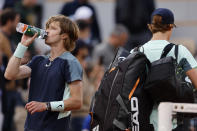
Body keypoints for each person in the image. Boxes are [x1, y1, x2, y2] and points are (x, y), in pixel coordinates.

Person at [4, 15, 83, 131]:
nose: (47, 31)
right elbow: (10, 74)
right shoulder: (38, 60)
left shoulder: (71, 62)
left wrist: (46, 106)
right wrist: (22, 46)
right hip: (30, 127)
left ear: (64, 35)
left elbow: (77, 102)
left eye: (53, 28)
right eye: (47, 28)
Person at [130, 8, 197, 131]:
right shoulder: (179, 51)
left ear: (150, 27)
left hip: (142, 121)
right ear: (170, 26)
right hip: (173, 122)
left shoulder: (135, 52)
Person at [0, 8, 20, 131]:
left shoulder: (9, 37)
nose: (18, 25)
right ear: (9, 21)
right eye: (17, 21)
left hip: (11, 86)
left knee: (9, 121)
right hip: (4, 87)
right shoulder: (1, 38)